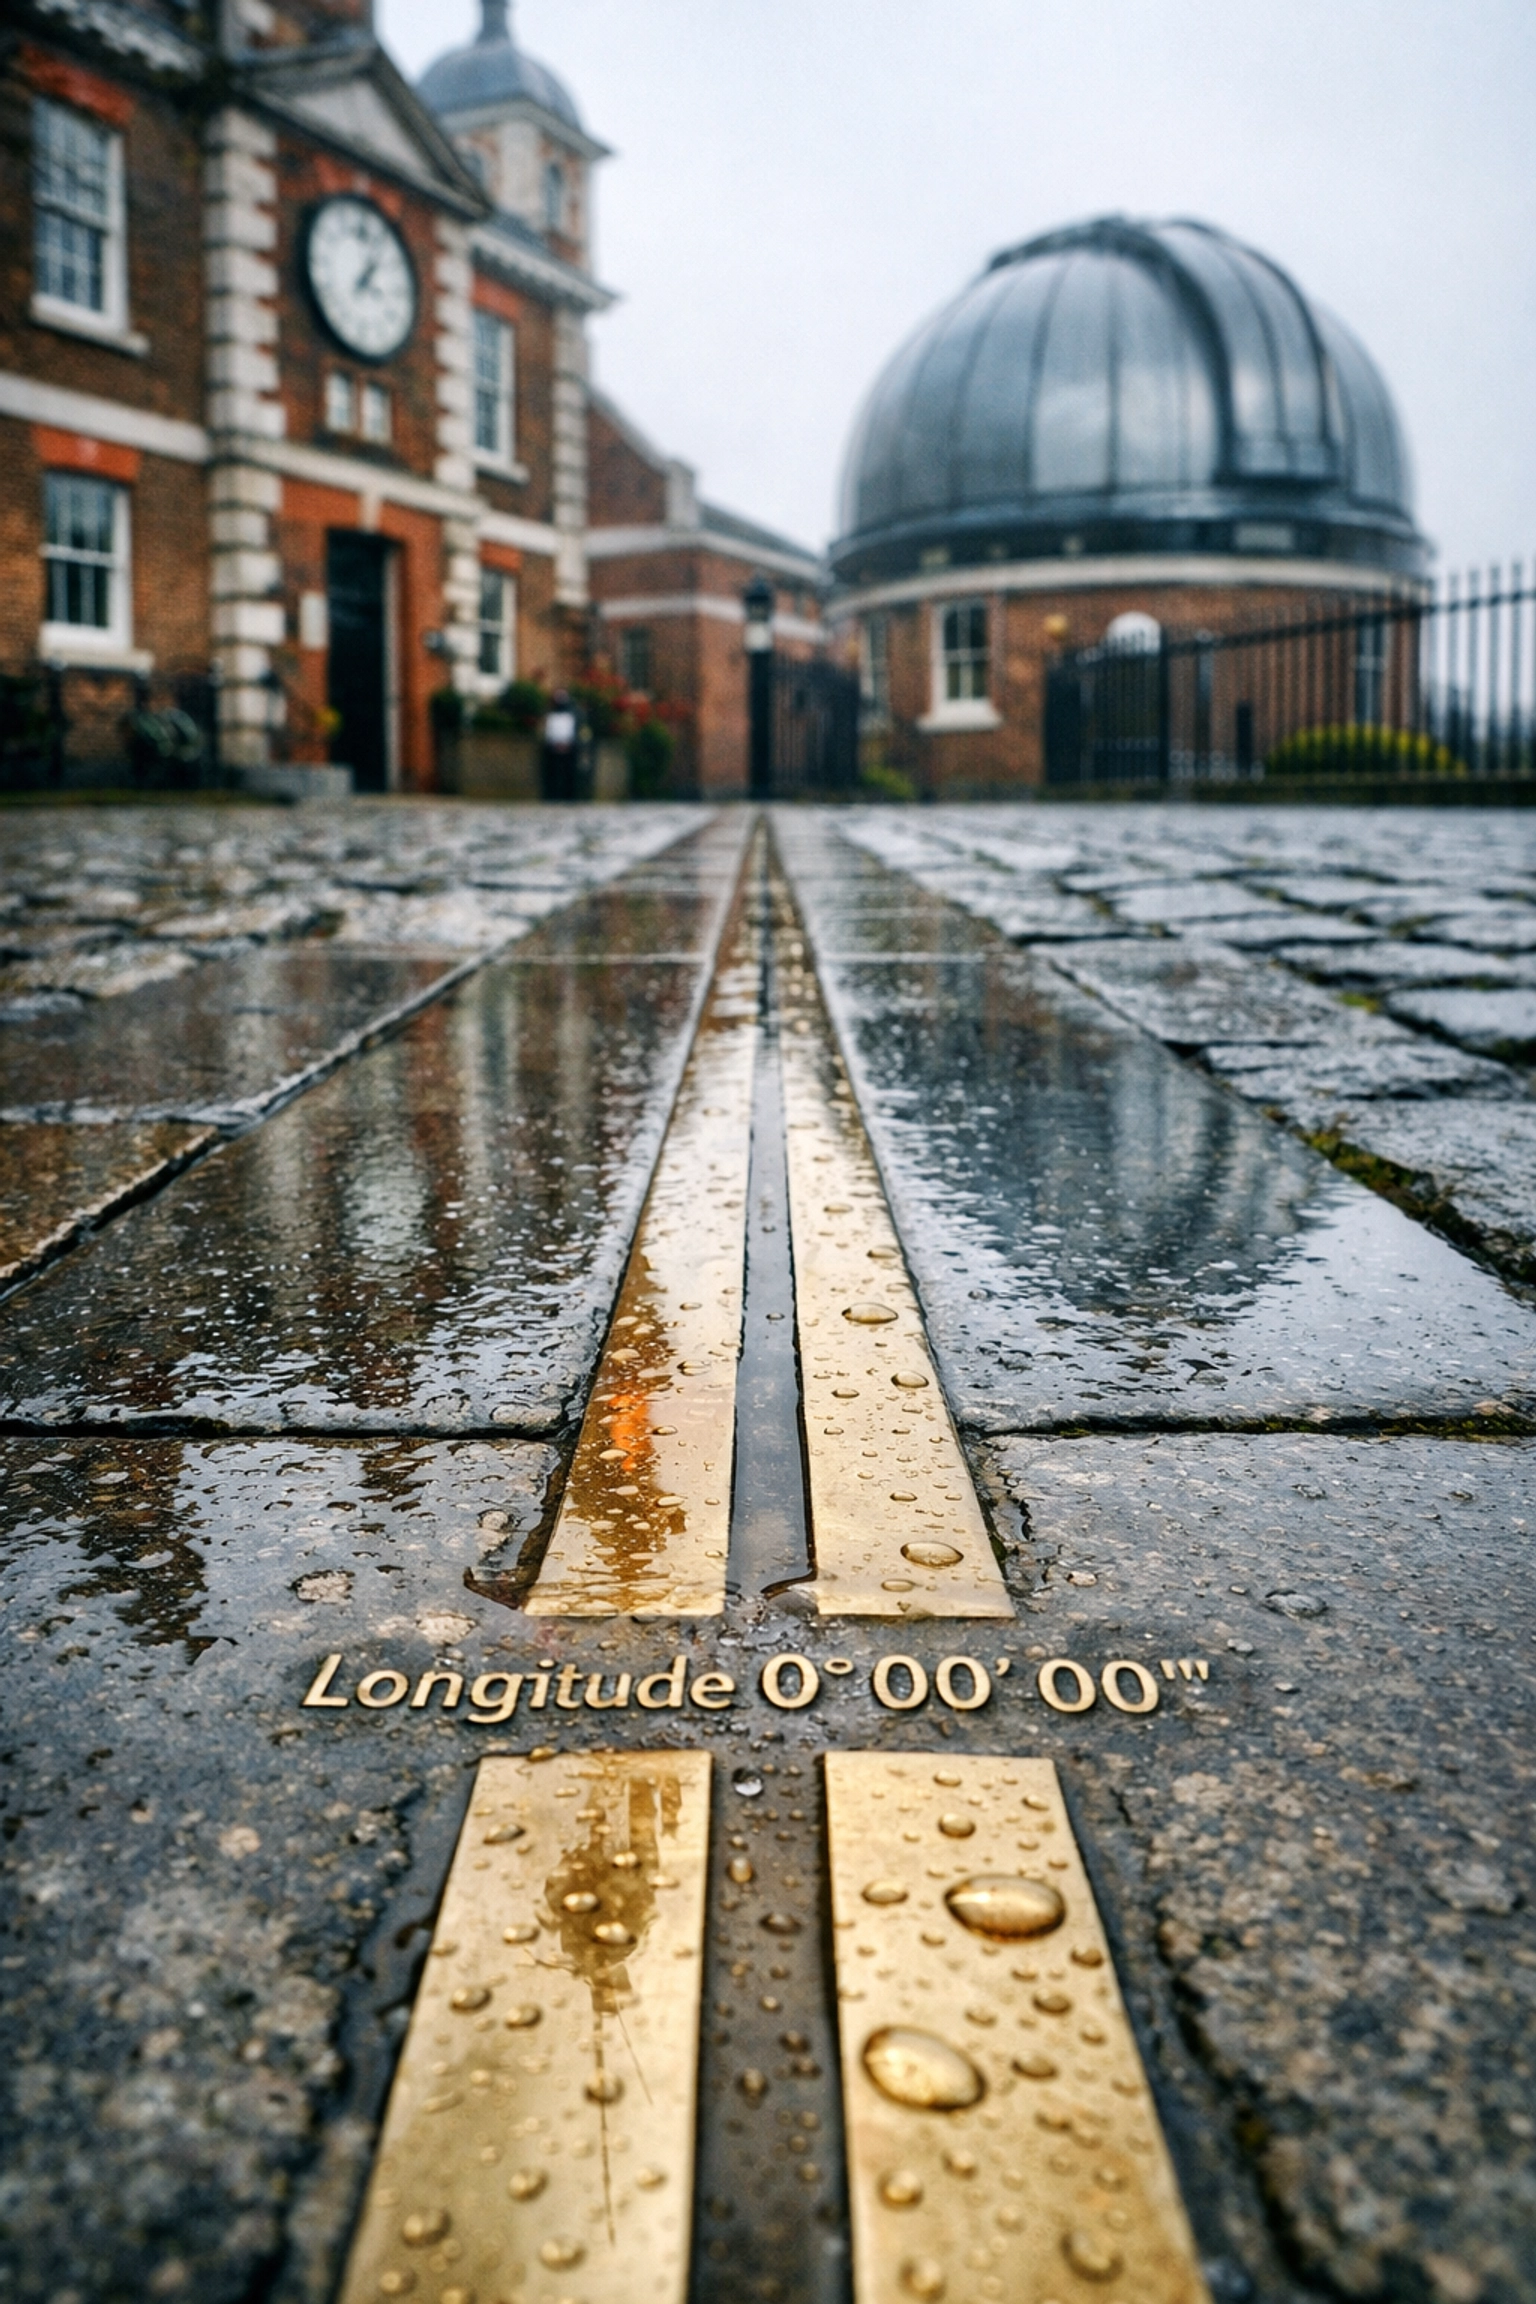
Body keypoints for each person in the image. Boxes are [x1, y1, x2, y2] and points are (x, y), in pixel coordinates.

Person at [540, 688, 581, 801]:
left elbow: (576, 731)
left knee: (569, 775)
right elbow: (547, 732)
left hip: (569, 748)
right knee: (552, 774)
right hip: (552, 749)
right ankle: (552, 796)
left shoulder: (573, 713)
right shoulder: (549, 714)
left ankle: (569, 797)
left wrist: (568, 744)